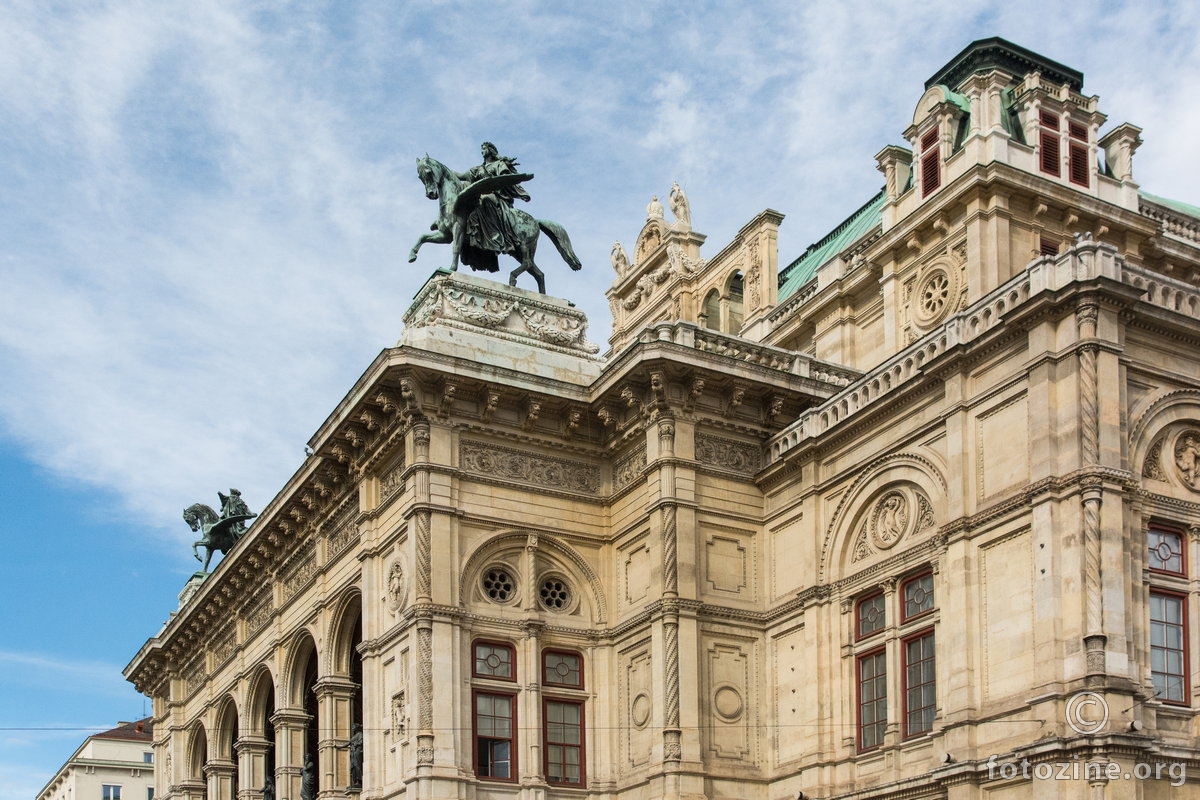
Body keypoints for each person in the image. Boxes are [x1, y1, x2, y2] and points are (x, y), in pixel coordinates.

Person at [457, 142, 531, 259]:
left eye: (484, 149)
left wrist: (521, 193)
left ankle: (495, 236)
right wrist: (442, 170)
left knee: (484, 198)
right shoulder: (477, 169)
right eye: (481, 149)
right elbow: (460, 176)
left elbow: (505, 180)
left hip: (497, 198)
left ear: (490, 150)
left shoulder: (499, 165)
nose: (482, 151)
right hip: (481, 197)